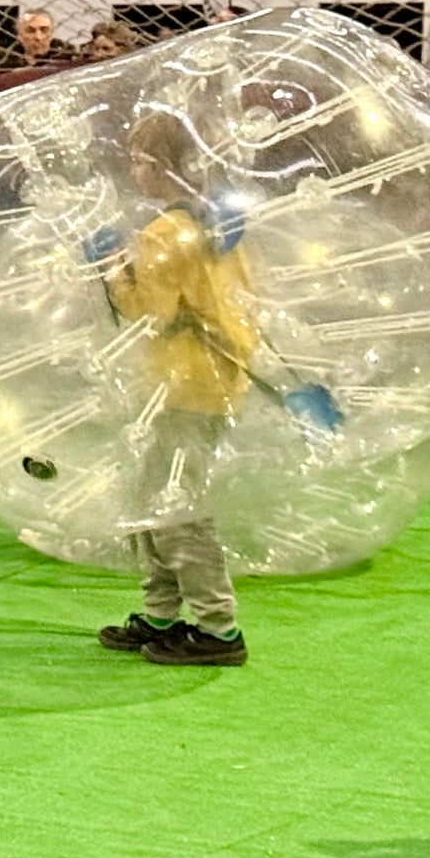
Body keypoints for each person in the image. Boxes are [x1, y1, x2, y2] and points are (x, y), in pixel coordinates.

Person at [89, 112, 332, 669]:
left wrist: (110, 268)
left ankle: (218, 628)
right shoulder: (219, 224)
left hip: (183, 383)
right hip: (210, 376)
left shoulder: (164, 233)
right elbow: (239, 303)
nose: (134, 170)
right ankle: (161, 615)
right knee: (155, 496)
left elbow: (150, 310)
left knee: (177, 505)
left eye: (141, 159)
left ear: (168, 166)